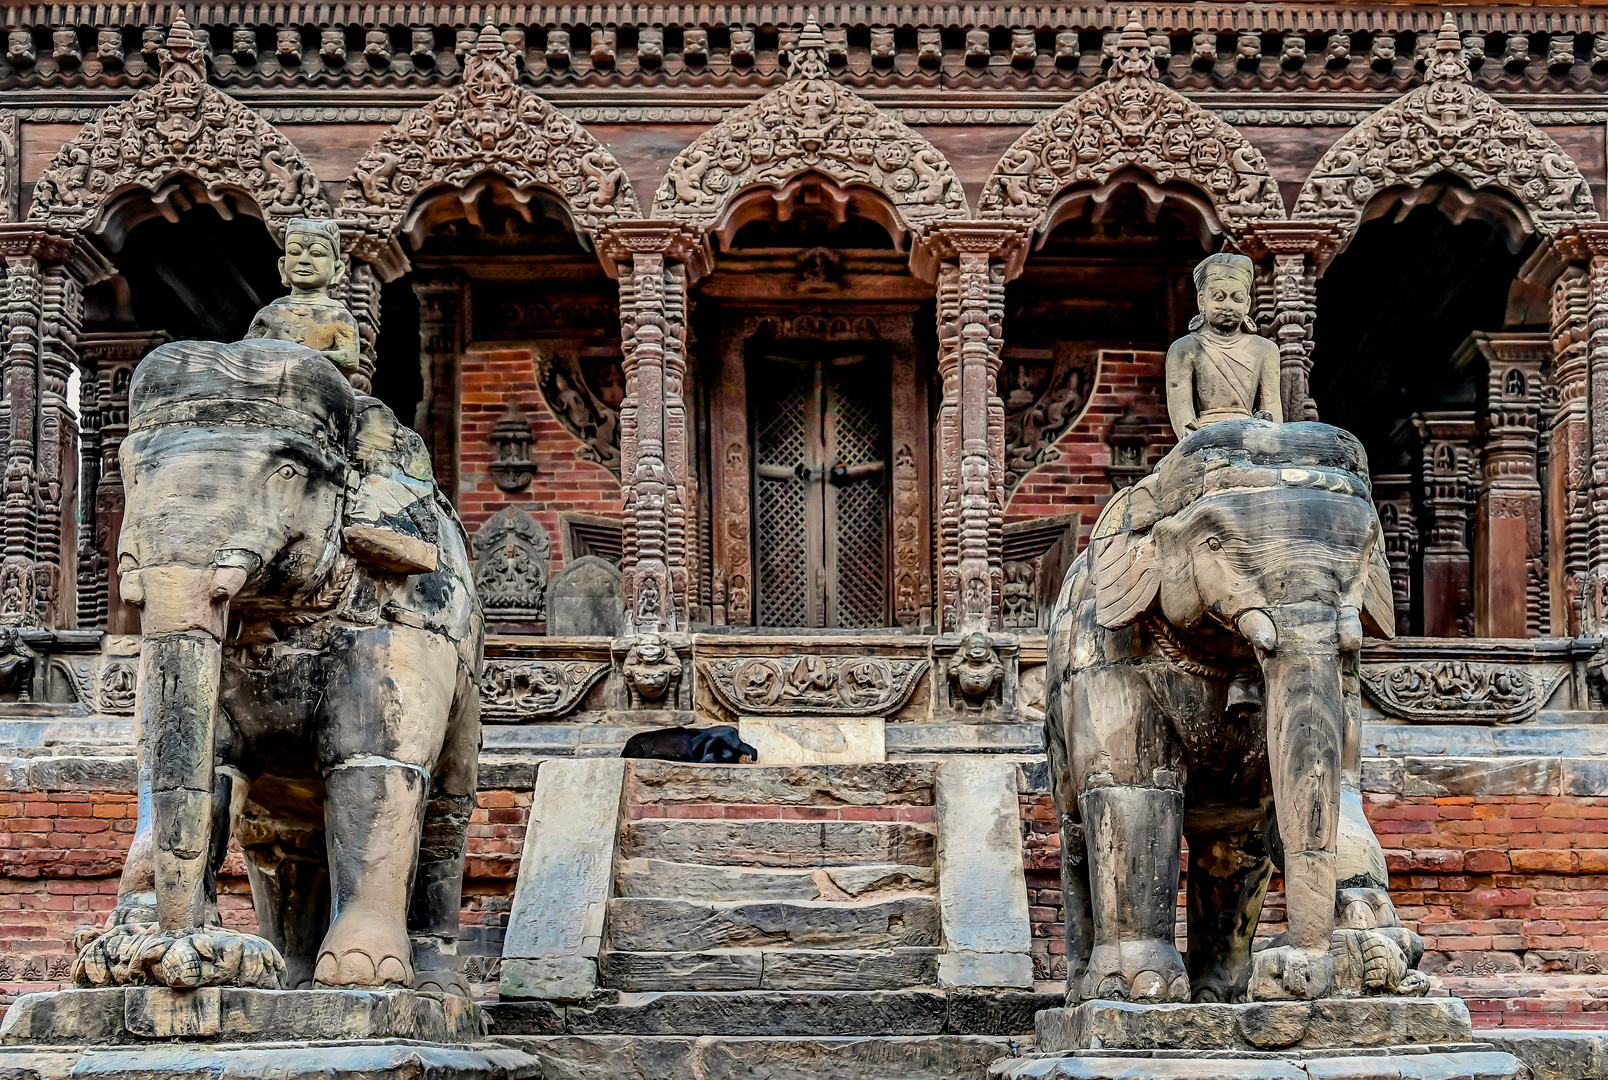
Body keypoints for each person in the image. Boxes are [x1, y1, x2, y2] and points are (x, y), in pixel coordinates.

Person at [1164, 252, 1282, 440]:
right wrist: (1191, 439)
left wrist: (1271, 436)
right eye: (1218, 297)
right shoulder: (1184, 349)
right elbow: (1182, 410)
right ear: (1202, 301)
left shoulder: (1265, 349)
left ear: (1248, 304)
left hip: (1252, 433)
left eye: (1237, 299)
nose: (1228, 306)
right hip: (1204, 435)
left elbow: (1272, 406)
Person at [246, 218, 361, 379]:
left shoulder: (338, 316)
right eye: (294, 252)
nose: (304, 260)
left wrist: (301, 354)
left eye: (316, 253)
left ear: (337, 270)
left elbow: (349, 360)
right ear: (282, 266)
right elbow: (244, 353)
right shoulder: (269, 313)